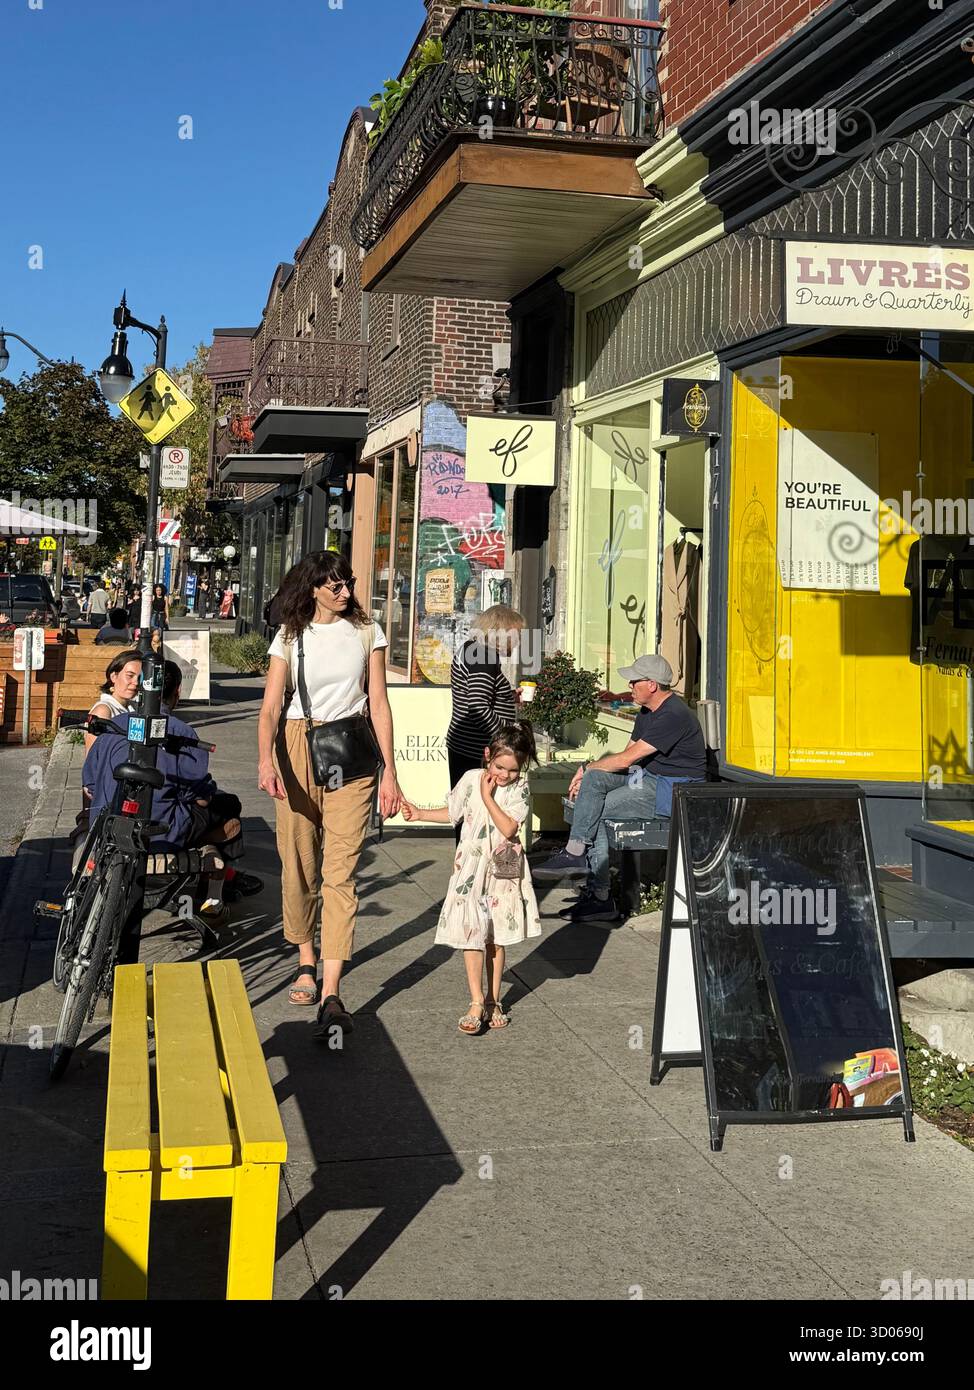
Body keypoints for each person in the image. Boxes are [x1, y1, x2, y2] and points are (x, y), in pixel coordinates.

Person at [256, 550, 403, 1035]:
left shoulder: (367, 632)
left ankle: (332, 989)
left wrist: (391, 772)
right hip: (297, 746)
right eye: (334, 585)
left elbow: (379, 703)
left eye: (348, 583)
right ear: (313, 588)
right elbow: (272, 706)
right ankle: (305, 956)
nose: (344, 592)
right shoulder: (290, 635)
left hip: (349, 750)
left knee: (341, 871)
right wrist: (265, 760)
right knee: (298, 861)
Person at [83, 660, 262, 931]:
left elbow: (90, 785)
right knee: (229, 807)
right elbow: (199, 797)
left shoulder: (113, 725)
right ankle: (215, 895)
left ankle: (217, 884)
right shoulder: (181, 732)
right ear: (177, 691)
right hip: (161, 833)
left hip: (109, 825)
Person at [533, 653, 708, 920]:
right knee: (594, 784)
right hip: (646, 778)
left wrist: (585, 767)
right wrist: (589, 778)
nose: (629, 686)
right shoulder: (647, 712)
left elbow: (627, 759)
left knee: (598, 811)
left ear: (651, 684)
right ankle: (576, 854)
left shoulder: (674, 715)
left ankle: (599, 894)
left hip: (673, 792)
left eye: (634, 681)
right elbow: (626, 761)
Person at [401, 723, 541, 1033]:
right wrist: (420, 814)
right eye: (499, 766)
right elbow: (453, 813)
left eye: (513, 769)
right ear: (488, 755)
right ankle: (476, 1000)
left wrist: (488, 796)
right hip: (470, 870)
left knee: (495, 936)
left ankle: (494, 999)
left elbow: (508, 828)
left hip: (501, 873)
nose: (504, 774)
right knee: (472, 933)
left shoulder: (519, 789)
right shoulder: (470, 779)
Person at [446, 604, 524, 845]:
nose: (519, 640)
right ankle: (474, 869)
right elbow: (478, 705)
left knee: (466, 807)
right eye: (516, 633)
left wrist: (506, 696)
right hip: (478, 748)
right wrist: (504, 737)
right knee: (477, 811)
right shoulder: (484, 655)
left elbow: (478, 695)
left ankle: (466, 865)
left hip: (465, 744)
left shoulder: (472, 651)